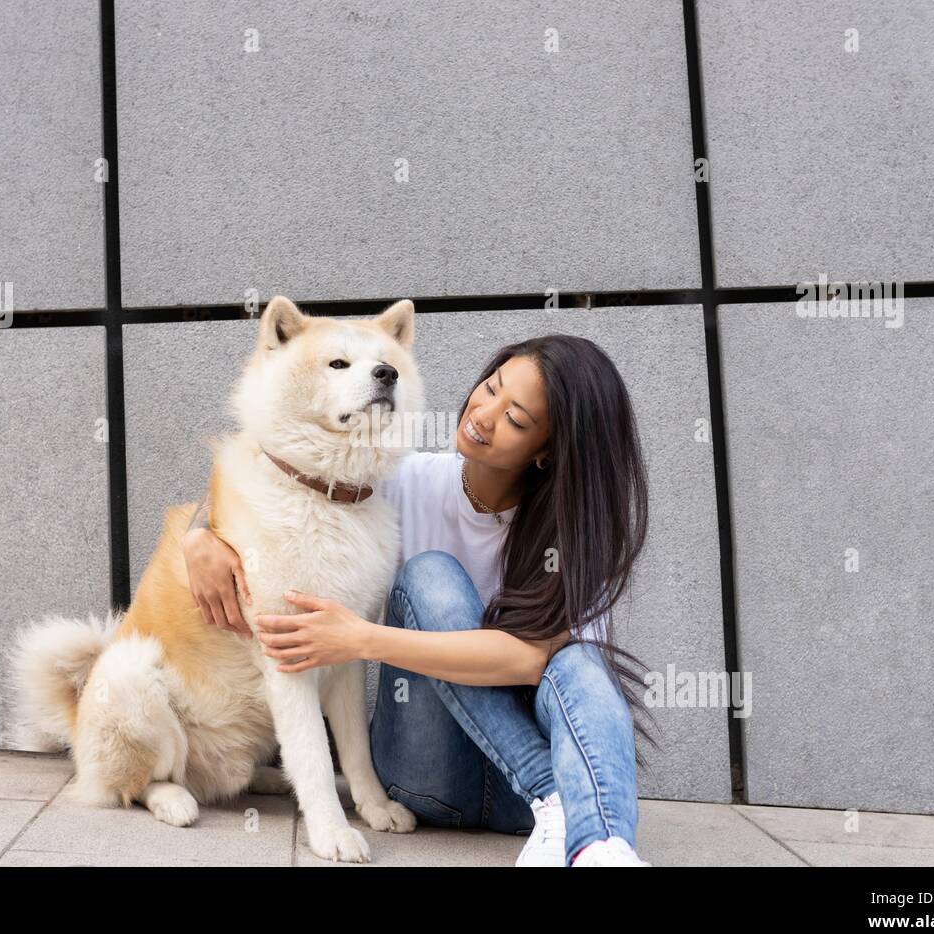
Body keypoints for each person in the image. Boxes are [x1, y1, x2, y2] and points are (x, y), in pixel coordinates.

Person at [182, 334, 657, 866]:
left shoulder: (579, 538)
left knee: (581, 662)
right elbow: (276, 465)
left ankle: (601, 849)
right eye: (490, 388)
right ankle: (559, 797)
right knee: (431, 575)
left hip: (519, 805)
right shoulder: (400, 482)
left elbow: (529, 661)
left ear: (548, 451)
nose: (484, 414)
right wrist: (199, 534)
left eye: (517, 419)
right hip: (428, 773)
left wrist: (364, 640)